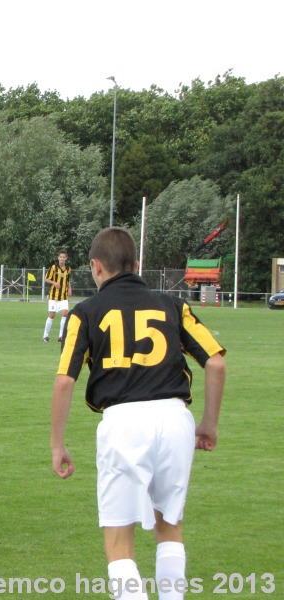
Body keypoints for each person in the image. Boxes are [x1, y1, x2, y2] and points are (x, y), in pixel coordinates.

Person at [50, 227, 226, 600]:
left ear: (96, 267)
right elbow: (215, 363)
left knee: (118, 541)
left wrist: (57, 444)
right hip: (175, 417)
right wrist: (208, 424)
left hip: (125, 422)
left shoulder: (84, 312)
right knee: (170, 527)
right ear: (137, 264)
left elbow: (65, 379)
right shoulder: (173, 304)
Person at [42, 250, 72, 342]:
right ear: (58, 258)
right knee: (52, 315)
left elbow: (67, 280)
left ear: (66, 258)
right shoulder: (54, 268)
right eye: (61, 257)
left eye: (64, 257)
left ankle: (61, 336)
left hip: (63, 296)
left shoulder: (68, 269)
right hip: (53, 296)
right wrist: (54, 283)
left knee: (65, 313)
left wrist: (70, 289)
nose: (62, 258)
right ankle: (45, 336)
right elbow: (46, 279)